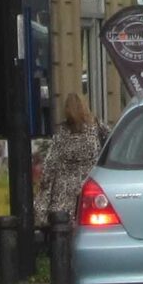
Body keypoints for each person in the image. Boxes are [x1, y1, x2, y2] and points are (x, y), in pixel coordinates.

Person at [35, 93, 110, 228]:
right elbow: (113, 142)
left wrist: (44, 187)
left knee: (62, 230)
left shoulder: (62, 132)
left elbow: (50, 163)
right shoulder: (96, 126)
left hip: (63, 193)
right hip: (88, 187)